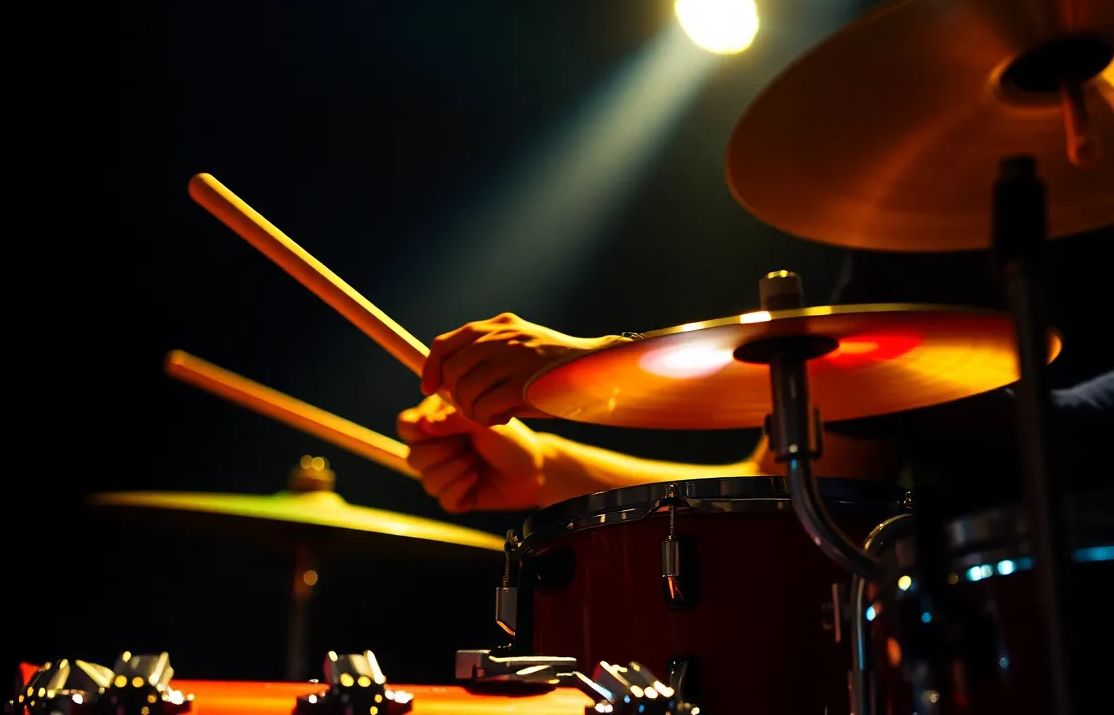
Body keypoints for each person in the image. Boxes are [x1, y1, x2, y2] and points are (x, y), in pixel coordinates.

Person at [396, 235, 1113, 514]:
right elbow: (798, 497)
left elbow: (1080, 429)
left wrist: (594, 372)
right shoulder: (920, 210)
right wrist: (553, 469)